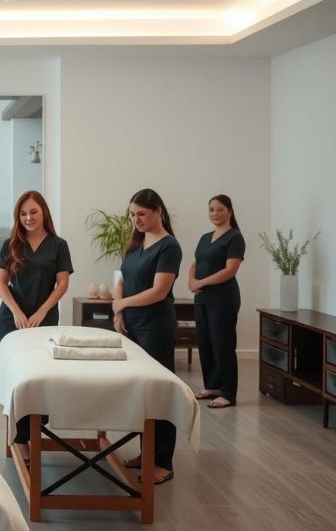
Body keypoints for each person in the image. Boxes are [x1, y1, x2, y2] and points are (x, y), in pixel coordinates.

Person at [0, 190, 73, 465]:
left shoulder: (58, 245)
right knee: (18, 376)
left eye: (33, 212)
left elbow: (62, 284)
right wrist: (17, 312)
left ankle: (32, 431)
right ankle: (19, 437)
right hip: (11, 319)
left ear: (44, 213)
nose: (28, 217)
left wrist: (41, 311)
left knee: (39, 377)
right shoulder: (11, 244)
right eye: (23, 213)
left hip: (45, 319)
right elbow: (1, 283)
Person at [112, 188, 181, 486]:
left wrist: (123, 304)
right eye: (132, 214)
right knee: (140, 392)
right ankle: (146, 452)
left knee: (159, 391)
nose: (136, 220)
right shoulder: (135, 244)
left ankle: (162, 461)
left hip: (156, 328)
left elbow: (159, 291)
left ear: (158, 212)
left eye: (141, 214)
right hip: (132, 327)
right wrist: (118, 311)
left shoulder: (169, 247)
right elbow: (121, 278)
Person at [189, 195, 245, 409]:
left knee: (223, 344)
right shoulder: (205, 237)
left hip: (223, 299)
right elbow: (195, 262)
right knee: (205, 342)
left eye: (219, 209)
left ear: (229, 211)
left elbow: (230, 270)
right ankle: (212, 385)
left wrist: (201, 281)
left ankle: (228, 393)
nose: (215, 213)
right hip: (202, 297)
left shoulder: (235, 237)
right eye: (211, 209)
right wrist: (191, 281)